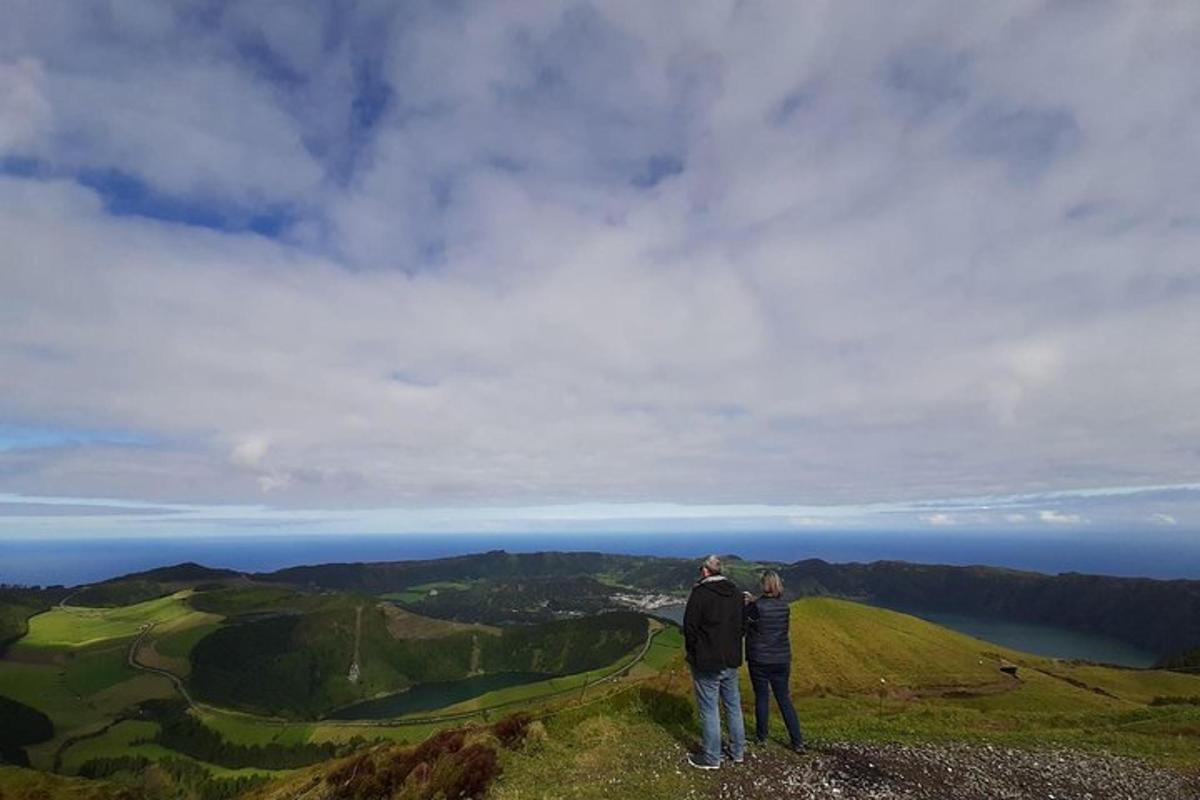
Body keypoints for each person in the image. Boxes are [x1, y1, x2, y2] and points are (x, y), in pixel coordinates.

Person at [682, 554, 747, 769]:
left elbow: (689, 628)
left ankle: (712, 758)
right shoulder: (736, 593)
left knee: (709, 709)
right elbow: (743, 626)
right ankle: (738, 752)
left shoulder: (700, 594)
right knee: (733, 706)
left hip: (707, 660)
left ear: (705, 571)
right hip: (731, 659)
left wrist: (693, 652)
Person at [744, 569, 806, 752]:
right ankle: (798, 741)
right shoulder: (784, 607)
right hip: (781, 658)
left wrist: (749, 603)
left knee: (762, 697)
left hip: (759, 658)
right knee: (784, 699)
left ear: (763, 585)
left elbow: (748, 622)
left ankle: (761, 737)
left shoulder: (755, 607)